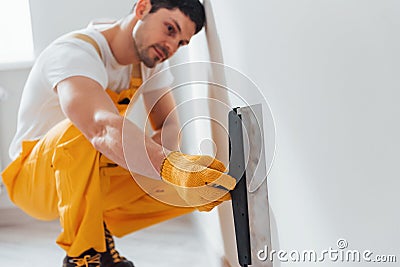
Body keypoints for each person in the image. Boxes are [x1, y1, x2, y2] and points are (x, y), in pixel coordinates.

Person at [1, 0, 236, 266]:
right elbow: (100, 127)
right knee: (85, 131)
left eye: (181, 43)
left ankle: (97, 231)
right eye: (170, 29)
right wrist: (169, 167)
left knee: (191, 188)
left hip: (88, 178)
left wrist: (176, 173)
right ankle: (85, 254)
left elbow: (169, 125)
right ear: (142, 8)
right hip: (34, 182)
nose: (171, 47)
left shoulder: (149, 63)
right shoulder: (74, 53)